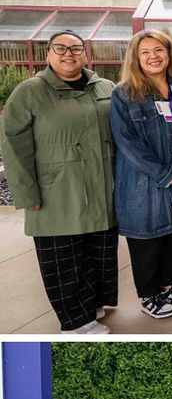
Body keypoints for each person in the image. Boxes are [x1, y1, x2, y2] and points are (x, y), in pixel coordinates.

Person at [2, 30, 117, 335]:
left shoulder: (105, 87)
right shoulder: (29, 92)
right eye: (60, 48)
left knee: (97, 252)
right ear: (48, 54)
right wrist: (26, 192)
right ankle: (75, 322)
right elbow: (14, 145)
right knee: (63, 257)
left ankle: (89, 304)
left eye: (76, 48)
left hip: (102, 187)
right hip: (57, 190)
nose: (69, 53)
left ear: (85, 53)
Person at [111, 30, 172, 320]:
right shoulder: (124, 95)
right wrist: (166, 173)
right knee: (147, 242)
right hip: (144, 186)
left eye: (159, 50)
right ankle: (150, 294)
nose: (153, 57)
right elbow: (128, 145)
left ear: (169, 54)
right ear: (135, 58)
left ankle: (168, 285)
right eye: (145, 52)